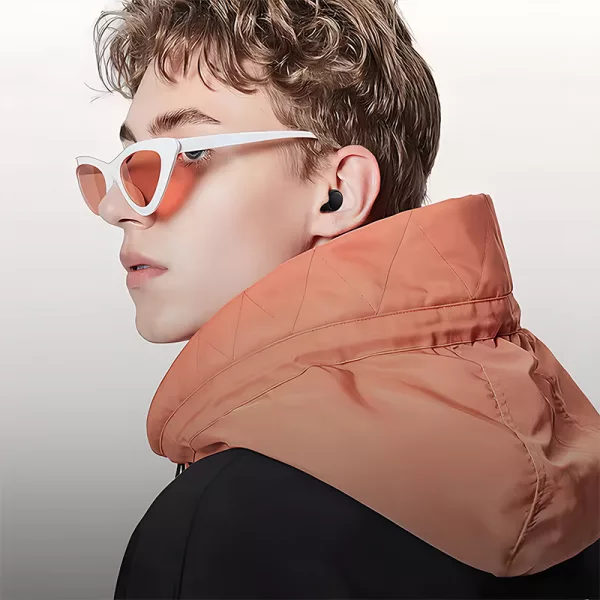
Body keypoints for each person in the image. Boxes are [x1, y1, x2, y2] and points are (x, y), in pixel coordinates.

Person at [75, 0, 600, 598]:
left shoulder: (235, 522)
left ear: (337, 192)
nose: (116, 207)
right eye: (129, 163)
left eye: (188, 153)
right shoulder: (562, 463)